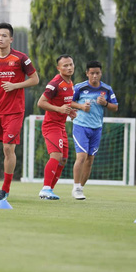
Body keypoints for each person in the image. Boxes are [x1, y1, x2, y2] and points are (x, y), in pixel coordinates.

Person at [0, 22, 39, 202]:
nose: (0, 38)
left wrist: (15, 85)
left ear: (11, 39)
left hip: (14, 111)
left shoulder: (21, 58)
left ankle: (5, 189)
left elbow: (35, 79)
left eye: (4, 36)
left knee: (8, 148)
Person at [71, 61, 118, 200]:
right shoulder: (80, 87)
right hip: (81, 126)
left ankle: (81, 188)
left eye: (97, 73)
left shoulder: (107, 89)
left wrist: (105, 104)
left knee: (90, 160)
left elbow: (115, 107)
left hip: (97, 128)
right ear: (87, 73)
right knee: (82, 157)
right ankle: (76, 186)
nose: (95, 76)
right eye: (92, 73)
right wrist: (81, 107)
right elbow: (69, 102)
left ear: (101, 73)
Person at [37, 55, 80, 200]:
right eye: (65, 65)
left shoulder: (70, 83)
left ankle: (50, 190)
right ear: (58, 68)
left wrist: (71, 111)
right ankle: (45, 189)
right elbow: (41, 103)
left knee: (64, 159)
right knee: (56, 156)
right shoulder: (54, 84)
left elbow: (65, 102)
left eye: (71, 64)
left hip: (61, 126)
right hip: (51, 125)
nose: (69, 68)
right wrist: (59, 109)